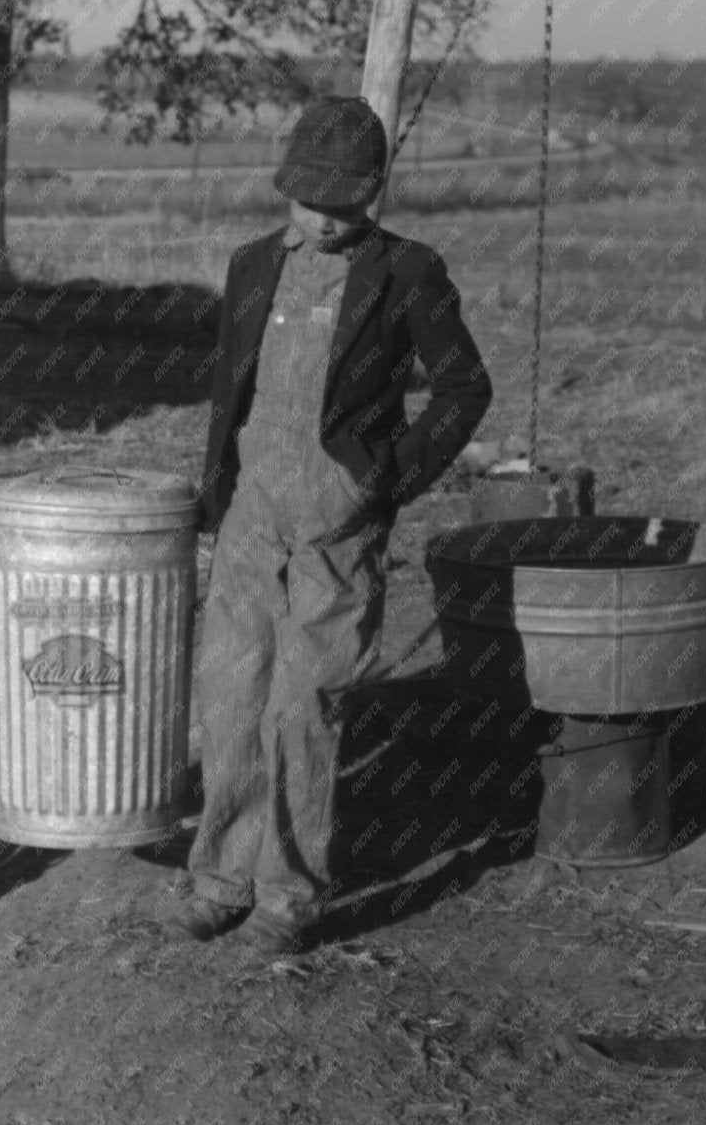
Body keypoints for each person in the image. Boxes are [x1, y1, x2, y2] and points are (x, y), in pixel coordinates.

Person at [170, 95, 492, 955]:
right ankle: (220, 874)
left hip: (336, 522)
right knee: (231, 694)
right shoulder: (249, 267)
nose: (324, 220)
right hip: (249, 517)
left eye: (344, 205)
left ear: (374, 194)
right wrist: (217, 491)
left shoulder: (406, 273)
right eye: (310, 201)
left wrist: (384, 482)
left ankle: (288, 893)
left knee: (305, 706)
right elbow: (228, 392)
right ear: (286, 188)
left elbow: (463, 388)